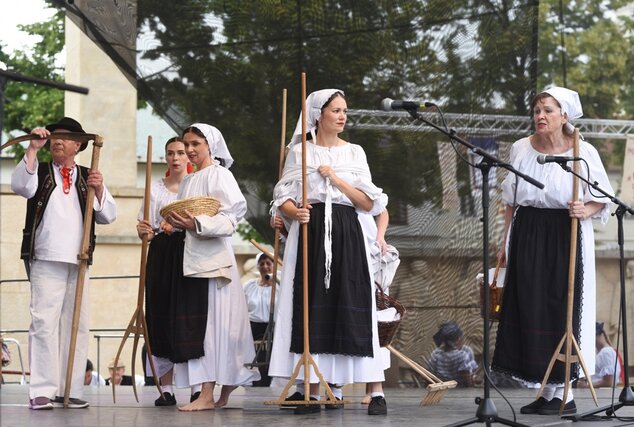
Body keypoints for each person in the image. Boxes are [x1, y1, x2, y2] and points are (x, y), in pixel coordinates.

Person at [491, 87, 613, 416]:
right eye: (536, 110)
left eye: (547, 110)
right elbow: (510, 201)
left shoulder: (582, 151)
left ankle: (566, 393)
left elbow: (604, 197)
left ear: (565, 116)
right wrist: (504, 243)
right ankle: (545, 392)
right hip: (528, 230)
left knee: (562, 309)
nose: (540, 116)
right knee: (531, 307)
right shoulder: (520, 148)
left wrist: (583, 210)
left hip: (565, 232)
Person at [269, 89, 389, 415]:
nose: (342, 116)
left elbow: (368, 203)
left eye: (345, 111)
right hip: (310, 230)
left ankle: (372, 388)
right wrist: (296, 213)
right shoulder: (300, 153)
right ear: (318, 115)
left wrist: (335, 180)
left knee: (352, 303)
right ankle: (310, 386)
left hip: (347, 229)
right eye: (335, 110)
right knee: (310, 305)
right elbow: (283, 196)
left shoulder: (355, 152)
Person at [11, 117, 117, 410]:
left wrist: (101, 187)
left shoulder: (87, 176)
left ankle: (68, 388)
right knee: (44, 323)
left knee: (77, 325)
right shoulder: (41, 170)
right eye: (55, 136)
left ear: (78, 144)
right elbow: (21, 186)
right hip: (46, 256)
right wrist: (32, 149)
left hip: (80, 259)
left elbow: (109, 216)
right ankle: (42, 390)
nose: (58, 140)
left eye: (66, 137)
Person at [164, 123, 259, 411]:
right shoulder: (190, 181)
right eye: (187, 144)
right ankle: (215, 390)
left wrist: (197, 224)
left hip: (215, 261)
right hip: (193, 260)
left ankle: (210, 393)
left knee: (216, 326)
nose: (190, 150)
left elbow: (232, 216)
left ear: (210, 145)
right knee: (205, 326)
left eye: (196, 144)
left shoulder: (220, 174)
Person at [135, 137, 200, 407]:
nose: (175, 157)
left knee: (189, 317)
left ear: (189, 157)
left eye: (181, 153)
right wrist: (145, 231)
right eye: (171, 153)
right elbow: (144, 228)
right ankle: (167, 387)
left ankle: (198, 385)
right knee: (160, 314)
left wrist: (182, 225)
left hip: (188, 251)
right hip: (162, 253)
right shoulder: (154, 190)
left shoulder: (196, 186)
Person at [242, 252, 280, 387]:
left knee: (270, 360)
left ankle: (267, 384)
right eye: (262, 263)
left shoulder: (280, 286)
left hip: (274, 328)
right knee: (255, 359)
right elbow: (242, 307)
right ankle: (255, 383)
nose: (265, 266)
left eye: (268, 263)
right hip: (253, 327)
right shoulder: (249, 286)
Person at [428, 321, 478, 387]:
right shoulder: (463, 355)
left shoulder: (436, 354)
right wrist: (471, 386)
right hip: (461, 389)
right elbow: (466, 375)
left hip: (442, 388)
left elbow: (431, 374)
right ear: (458, 339)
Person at [577, 322, 623, 389]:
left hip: (602, 394)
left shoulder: (606, 352)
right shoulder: (598, 352)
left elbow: (609, 382)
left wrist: (586, 386)